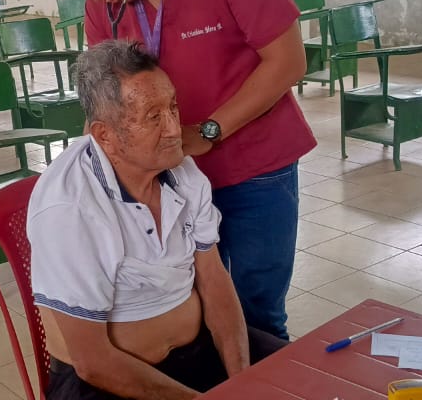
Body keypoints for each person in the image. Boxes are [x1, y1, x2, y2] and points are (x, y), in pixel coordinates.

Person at [38, 0, 313, 340]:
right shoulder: (104, 7)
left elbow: (288, 62)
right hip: (173, 181)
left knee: (258, 310)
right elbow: (106, 97)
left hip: (255, 170)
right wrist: (86, 172)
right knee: (190, 307)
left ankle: (258, 372)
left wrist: (209, 130)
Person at [30, 41, 285, 400]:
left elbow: (214, 282)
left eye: (173, 108)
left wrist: (240, 382)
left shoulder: (183, 173)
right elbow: (93, 362)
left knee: (301, 377)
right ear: (104, 135)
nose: (174, 130)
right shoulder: (70, 208)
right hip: (104, 382)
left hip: (197, 352)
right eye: (153, 117)